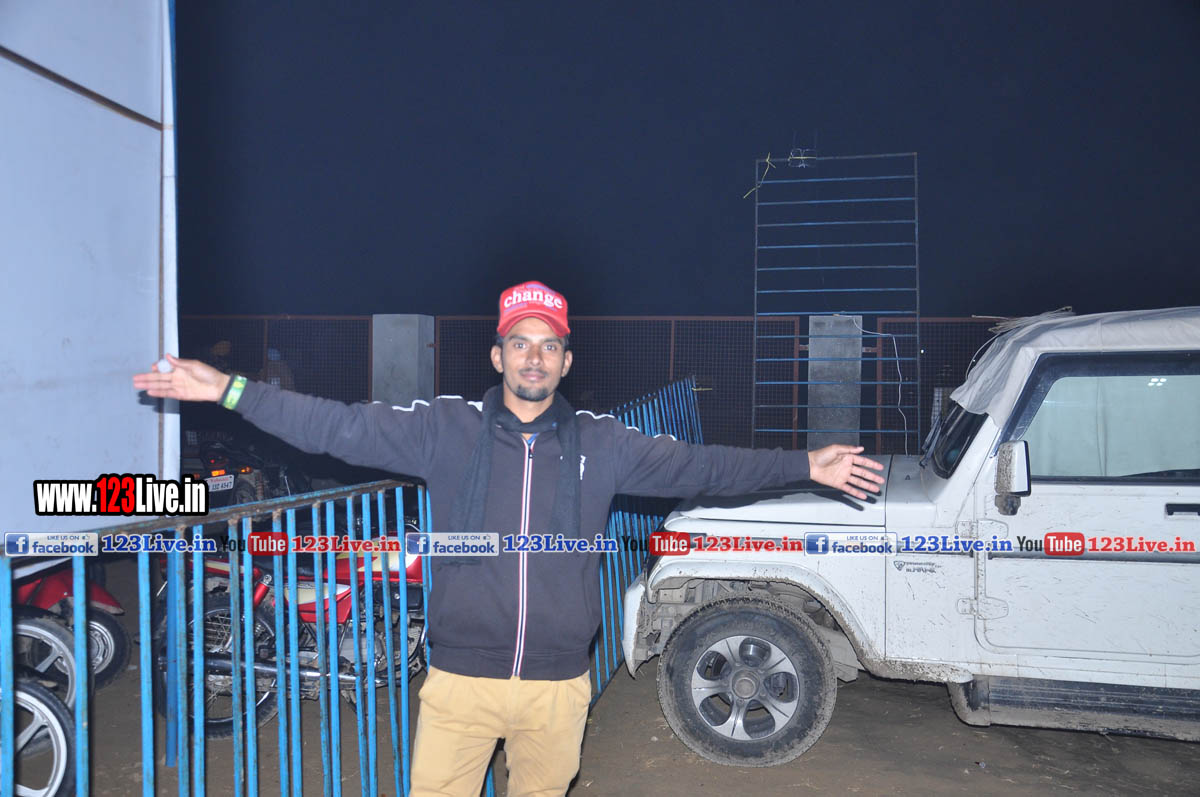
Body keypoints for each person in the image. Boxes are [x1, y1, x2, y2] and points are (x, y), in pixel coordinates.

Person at [133, 280, 884, 797]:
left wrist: (805, 465)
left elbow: (704, 466)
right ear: (497, 355)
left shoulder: (604, 443)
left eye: (548, 345)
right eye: (519, 342)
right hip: (460, 684)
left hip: (557, 689)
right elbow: (337, 426)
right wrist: (228, 390)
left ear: (566, 361)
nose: (533, 357)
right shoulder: (445, 429)